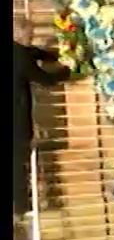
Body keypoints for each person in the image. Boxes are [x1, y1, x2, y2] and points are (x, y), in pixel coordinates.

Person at [13, 17, 72, 218]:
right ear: (20, 34)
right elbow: (44, 79)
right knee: (18, 163)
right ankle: (20, 206)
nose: (32, 38)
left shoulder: (21, 51)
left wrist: (53, 54)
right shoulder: (20, 56)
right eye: (30, 35)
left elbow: (35, 53)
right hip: (16, 121)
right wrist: (68, 71)